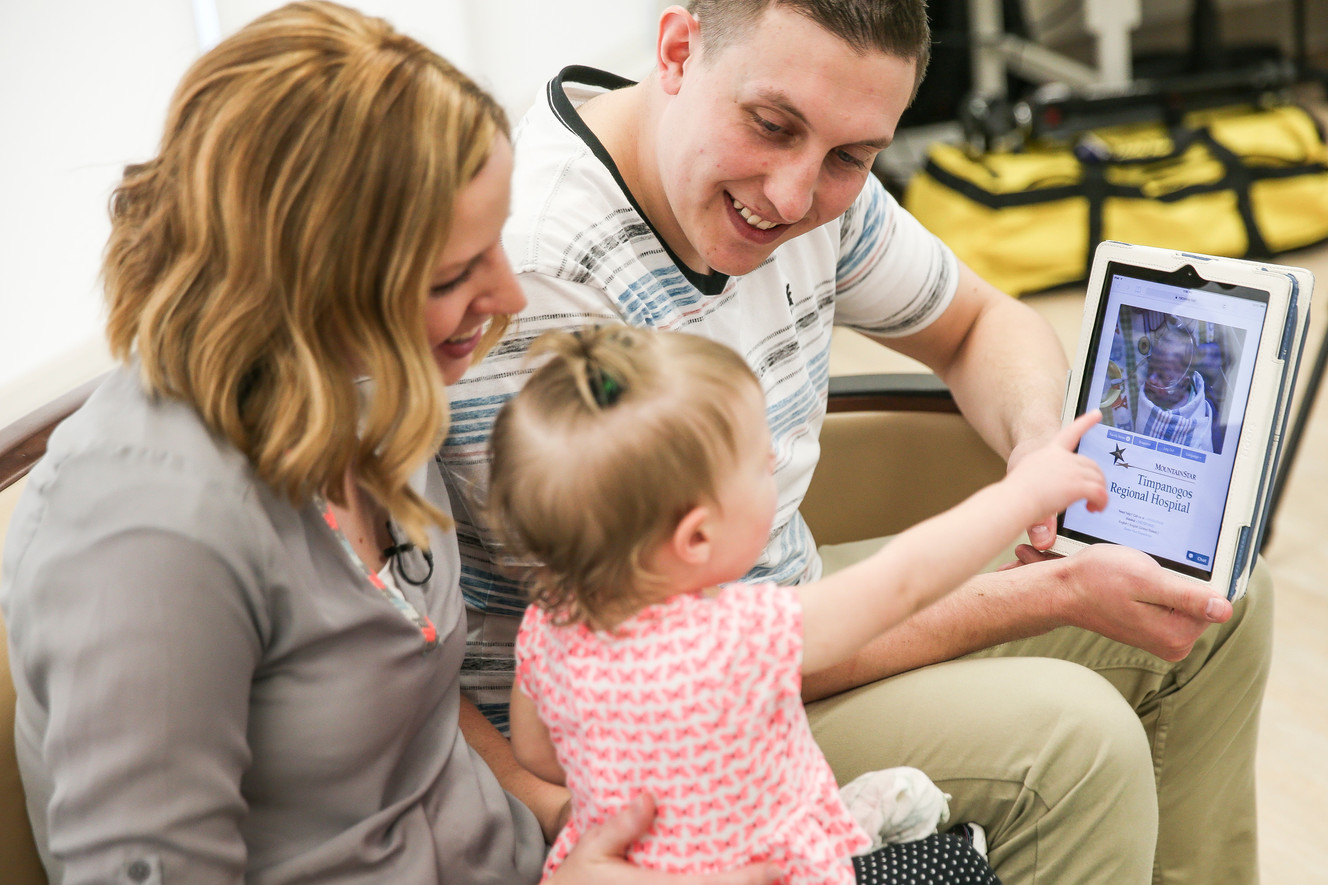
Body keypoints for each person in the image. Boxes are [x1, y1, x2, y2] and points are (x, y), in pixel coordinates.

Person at [439, 1, 1272, 882]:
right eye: (771, 126)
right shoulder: (540, 281)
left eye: (850, 157)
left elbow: (979, 322)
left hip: (767, 610)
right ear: (677, 50)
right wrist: (1048, 586)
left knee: (1210, 596)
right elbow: (712, 667)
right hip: (703, 731)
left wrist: (1036, 443)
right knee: (1079, 744)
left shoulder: (811, 155)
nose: (793, 197)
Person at [0, 4, 781, 884]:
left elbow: (416, 706)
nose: (509, 296)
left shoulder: (368, 391)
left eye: (493, 244)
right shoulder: (143, 530)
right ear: (308, 281)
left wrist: (570, 819)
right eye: (454, 274)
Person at [487, 323, 1106, 883]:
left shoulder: (546, 628)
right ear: (697, 537)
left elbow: (537, 752)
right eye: (759, 465)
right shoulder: (738, 635)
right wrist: (1022, 494)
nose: (775, 460)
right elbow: (904, 580)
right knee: (958, 865)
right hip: (776, 871)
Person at [1133, 321, 1216, 452]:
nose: (1151, 379)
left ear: (1184, 383)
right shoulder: (1152, 394)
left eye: (1163, 377)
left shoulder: (1191, 418)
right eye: (1150, 369)